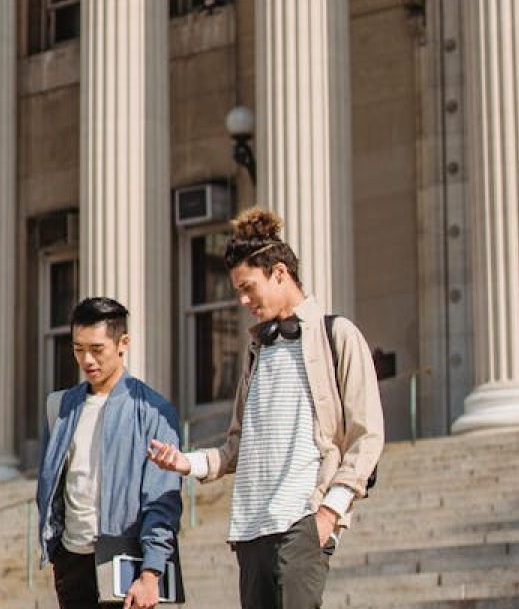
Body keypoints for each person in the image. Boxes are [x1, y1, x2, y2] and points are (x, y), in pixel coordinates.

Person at [149, 207, 384, 609]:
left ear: (279, 273)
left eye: (248, 287)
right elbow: (235, 448)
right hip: (251, 528)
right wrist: (185, 463)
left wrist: (330, 512)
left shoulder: (336, 335)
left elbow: (368, 435)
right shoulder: (257, 352)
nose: (242, 300)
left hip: (301, 523)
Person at [37, 297, 184, 609]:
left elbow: (163, 500)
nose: (87, 359)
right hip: (71, 561)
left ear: (123, 343)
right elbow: (53, 486)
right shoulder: (60, 407)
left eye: (97, 349)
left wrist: (151, 572)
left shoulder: (154, 411)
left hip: (126, 564)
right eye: (78, 349)